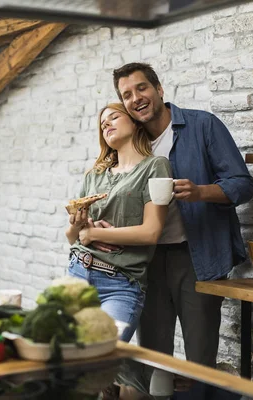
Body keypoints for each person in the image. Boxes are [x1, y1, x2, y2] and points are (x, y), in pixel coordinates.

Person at [92, 62, 253, 367]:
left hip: (197, 257)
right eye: (127, 94)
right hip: (144, 260)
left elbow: (243, 184)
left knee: (199, 356)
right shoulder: (131, 141)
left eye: (142, 87)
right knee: (152, 357)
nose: (136, 97)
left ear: (159, 89)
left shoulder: (202, 126)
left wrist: (200, 192)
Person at [66, 102, 170, 343]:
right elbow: (72, 237)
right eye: (103, 125)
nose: (107, 125)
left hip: (121, 284)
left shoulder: (155, 166)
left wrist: (93, 235)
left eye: (114, 117)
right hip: (77, 273)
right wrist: (78, 226)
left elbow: (151, 232)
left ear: (134, 123)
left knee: (99, 353)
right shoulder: (94, 174)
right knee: (65, 357)